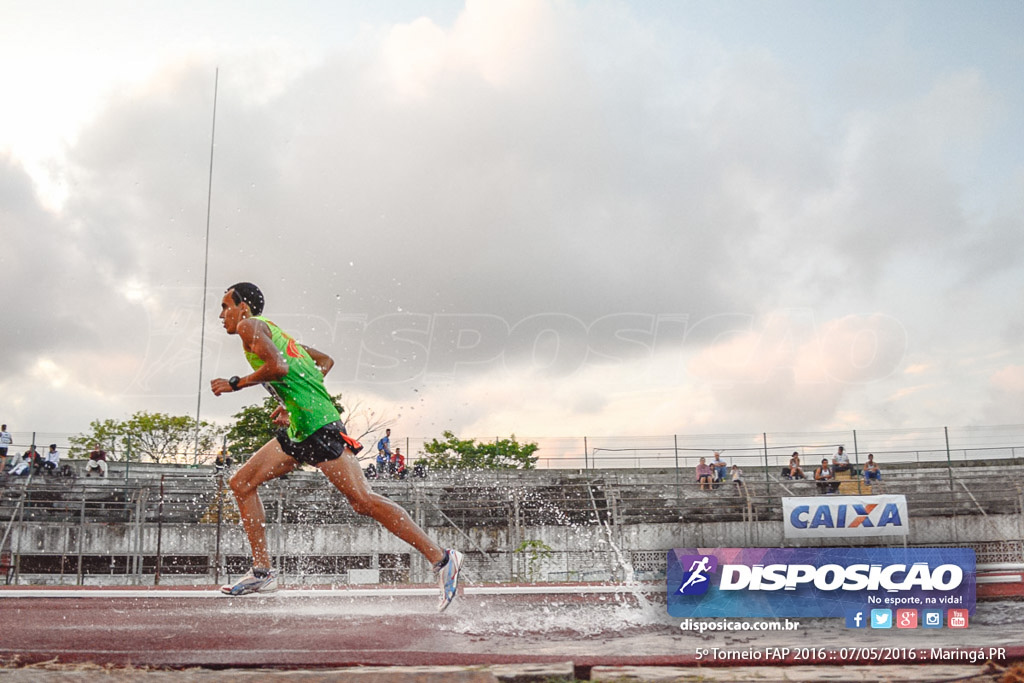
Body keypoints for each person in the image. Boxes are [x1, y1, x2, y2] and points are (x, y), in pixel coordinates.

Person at [211, 283, 462, 610]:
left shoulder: (249, 327)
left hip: (319, 427)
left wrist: (235, 384)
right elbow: (325, 362)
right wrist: (292, 401)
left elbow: (278, 368)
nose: (221, 315)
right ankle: (262, 570)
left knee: (362, 500)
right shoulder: (278, 335)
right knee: (242, 482)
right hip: (300, 428)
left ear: (243, 307)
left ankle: (443, 559)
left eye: (225, 306)